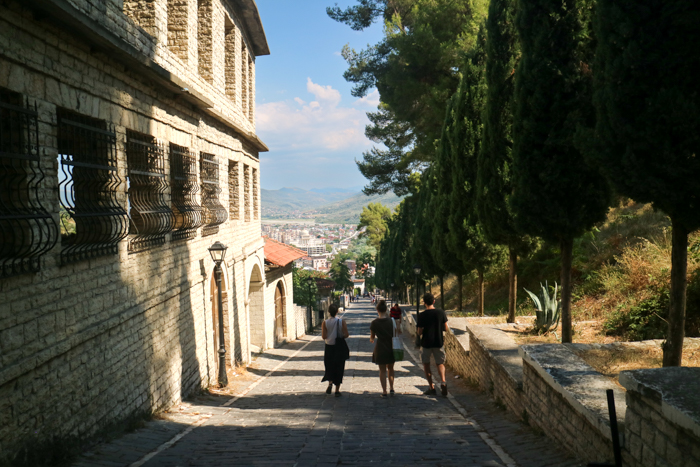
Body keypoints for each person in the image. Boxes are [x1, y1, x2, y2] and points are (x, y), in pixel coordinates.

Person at [416, 293, 449, 396]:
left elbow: (419, 332)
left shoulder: (422, 315)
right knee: (440, 363)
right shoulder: (441, 313)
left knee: (426, 365)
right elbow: (446, 328)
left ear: (424, 303)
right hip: (438, 342)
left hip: (426, 343)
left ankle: (431, 387)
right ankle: (443, 381)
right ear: (434, 301)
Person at [321, 304, 349, 397]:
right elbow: (346, 334)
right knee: (339, 367)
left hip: (329, 347)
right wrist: (340, 336)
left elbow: (324, 336)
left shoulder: (325, 322)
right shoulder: (341, 322)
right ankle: (337, 390)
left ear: (328, 312)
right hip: (339, 347)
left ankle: (330, 383)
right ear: (337, 311)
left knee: (329, 366)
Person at [369, 300, 396, 397]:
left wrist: (371, 339)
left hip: (380, 347)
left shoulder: (374, 323)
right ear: (386, 310)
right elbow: (395, 333)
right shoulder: (391, 321)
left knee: (382, 370)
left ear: (377, 310)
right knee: (391, 368)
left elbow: (372, 338)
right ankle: (392, 388)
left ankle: (384, 391)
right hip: (390, 346)